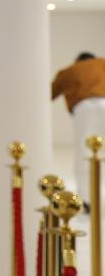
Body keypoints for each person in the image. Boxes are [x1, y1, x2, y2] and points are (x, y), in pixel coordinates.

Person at [52, 52, 105, 201]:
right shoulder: (102, 64)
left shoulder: (70, 70)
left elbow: (48, 93)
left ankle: (87, 199)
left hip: (84, 108)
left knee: (84, 153)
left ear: (77, 61)